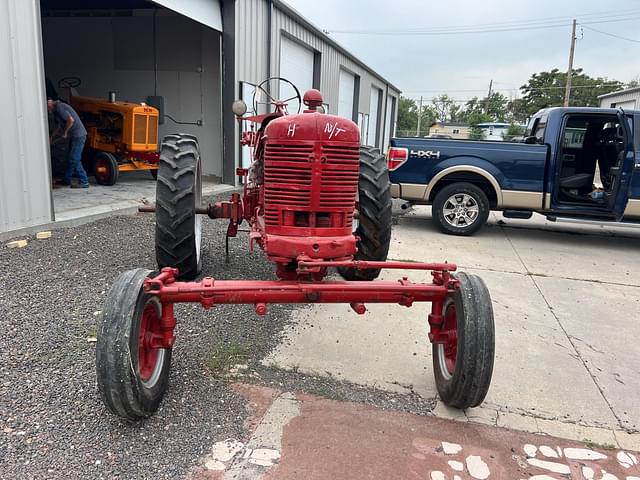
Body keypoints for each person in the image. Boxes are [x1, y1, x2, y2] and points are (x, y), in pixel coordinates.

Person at [47, 99, 89, 188]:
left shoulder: (59, 107)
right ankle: (66, 180)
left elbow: (70, 120)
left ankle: (84, 181)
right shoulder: (56, 110)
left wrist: (65, 132)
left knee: (74, 159)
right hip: (75, 136)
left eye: (47, 108)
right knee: (71, 158)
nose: (48, 110)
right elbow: (59, 126)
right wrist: (52, 136)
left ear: (50, 104)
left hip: (78, 135)